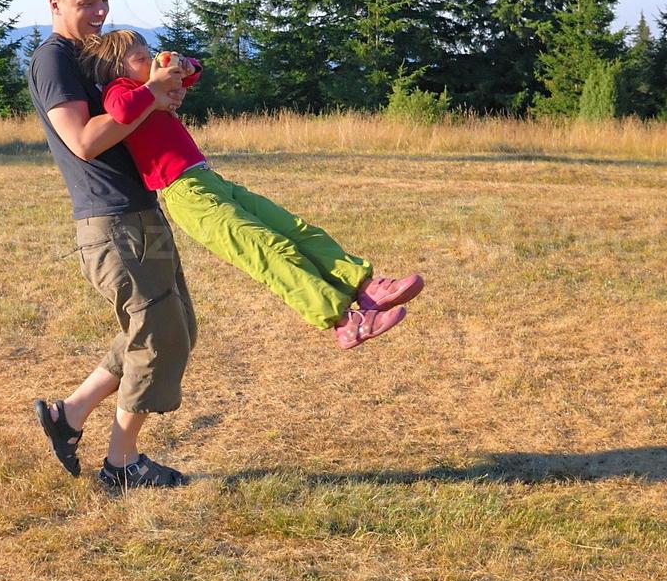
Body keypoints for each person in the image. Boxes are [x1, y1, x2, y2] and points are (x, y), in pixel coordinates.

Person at [83, 29, 424, 349]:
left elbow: (194, 74)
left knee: (295, 230)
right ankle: (343, 320)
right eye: (140, 58)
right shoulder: (121, 91)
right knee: (266, 248)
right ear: (117, 68)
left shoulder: (150, 89)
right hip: (185, 194)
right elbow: (121, 111)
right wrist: (154, 87)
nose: (152, 60)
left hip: (209, 180)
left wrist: (186, 66)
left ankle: (365, 286)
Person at [27, 0, 200, 492]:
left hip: (142, 209)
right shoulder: (54, 60)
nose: (99, 12)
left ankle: (70, 414)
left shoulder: (96, 53)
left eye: (104, 0)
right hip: (111, 221)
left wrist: (164, 89)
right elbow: (83, 140)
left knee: (176, 329)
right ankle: (121, 464)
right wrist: (149, 96)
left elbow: (131, 112)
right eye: (86, 3)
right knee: (159, 335)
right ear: (54, 1)